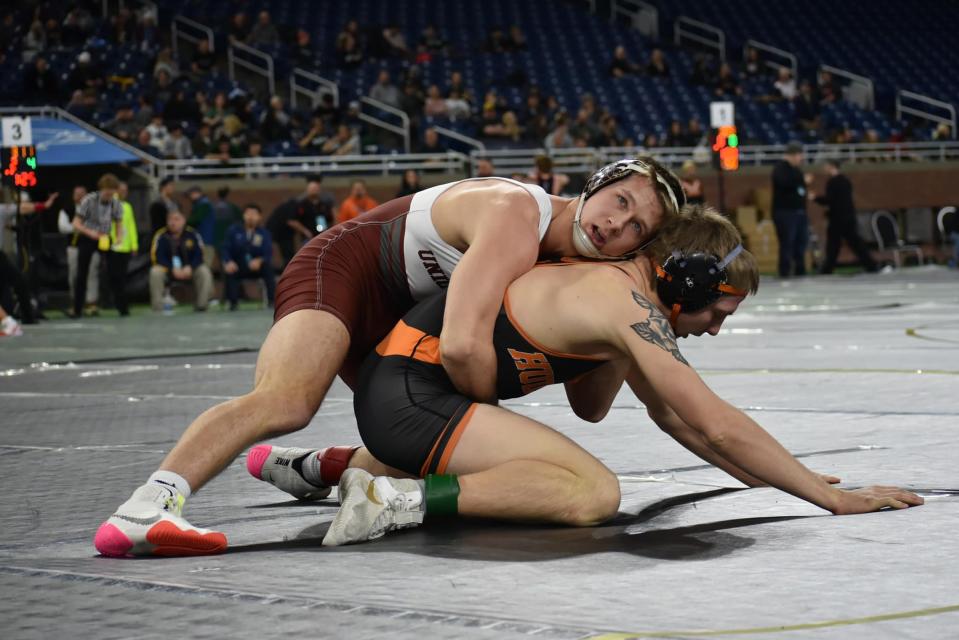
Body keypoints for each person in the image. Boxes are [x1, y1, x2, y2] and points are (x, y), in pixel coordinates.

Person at [92, 158, 686, 557]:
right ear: (595, 184)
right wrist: (474, 428)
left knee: (429, 428)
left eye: (637, 227)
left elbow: (590, 406)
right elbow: (461, 346)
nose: (617, 224)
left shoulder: (580, 270)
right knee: (288, 398)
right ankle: (147, 507)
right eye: (619, 201)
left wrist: (638, 327)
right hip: (345, 269)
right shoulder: (516, 212)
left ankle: (318, 467)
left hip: (403, 314)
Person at [248, 206, 922, 545]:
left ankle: (321, 468)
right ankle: (391, 504)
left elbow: (666, 414)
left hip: (410, 393)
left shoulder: (619, 305)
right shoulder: (618, 302)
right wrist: (827, 497)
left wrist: (757, 473)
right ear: (683, 278)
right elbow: (711, 419)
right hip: (413, 393)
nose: (713, 329)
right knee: (589, 492)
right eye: (715, 311)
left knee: (500, 451)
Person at [71, 174, 125, 319]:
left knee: (115, 271)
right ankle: (77, 309)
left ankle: (122, 308)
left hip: (105, 238)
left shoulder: (116, 203)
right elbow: (76, 223)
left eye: (112, 193)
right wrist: (90, 233)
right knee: (82, 273)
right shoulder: (88, 200)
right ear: (101, 189)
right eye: (107, 192)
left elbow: (119, 223)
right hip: (88, 237)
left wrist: (119, 238)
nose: (109, 196)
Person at [812, 160, 878, 274]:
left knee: (835, 245)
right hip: (848, 217)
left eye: (826, 166)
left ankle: (827, 269)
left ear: (832, 167)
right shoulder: (845, 180)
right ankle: (871, 265)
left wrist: (815, 198)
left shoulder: (833, 182)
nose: (824, 169)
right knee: (851, 243)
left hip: (838, 219)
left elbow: (830, 200)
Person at [148, 209, 213, 312]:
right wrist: (171, 269)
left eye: (176, 219)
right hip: (169, 270)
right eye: (170, 219)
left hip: (190, 269)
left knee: (204, 271)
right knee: (155, 272)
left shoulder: (192, 234)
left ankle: (202, 305)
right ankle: (158, 307)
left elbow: (200, 254)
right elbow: (156, 257)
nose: (172, 223)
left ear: (183, 220)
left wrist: (190, 267)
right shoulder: (161, 235)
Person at [266, 176, 335, 267]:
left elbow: (330, 219)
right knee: (309, 259)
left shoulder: (324, 205)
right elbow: (292, 221)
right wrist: (305, 231)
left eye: (316, 188)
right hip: (308, 238)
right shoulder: (301, 204)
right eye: (311, 188)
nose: (314, 190)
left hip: (322, 236)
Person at [222, 203, 275, 310]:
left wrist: (260, 260)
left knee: (268, 268)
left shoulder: (264, 233)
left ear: (260, 217)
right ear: (243, 216)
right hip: (238, 265)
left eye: (254, 214)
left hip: (257, 267)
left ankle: (271, 301)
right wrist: (228, 261)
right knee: (230, 270)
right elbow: (225, 249)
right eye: (248, 214)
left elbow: (268, 253)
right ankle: (233, 303)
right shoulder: (233, 231)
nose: (250, 217)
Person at [771, 142, 812, 277]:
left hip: (799, 212)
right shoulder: (780, 168)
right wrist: (802, 180)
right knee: (787, 242)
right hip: (785, 212)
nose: (801, 159)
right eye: (800, 155)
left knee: (801, 242)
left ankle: (800, 270)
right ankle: (785, 271)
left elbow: (800, 189)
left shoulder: (797, 170)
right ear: (793, 155)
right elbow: (784, 183)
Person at [106, 182, 138, 316]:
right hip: (113, 247)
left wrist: (134, 245)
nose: (124, 192)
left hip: (124, 248)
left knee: (121, 278)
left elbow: (131, 226)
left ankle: (123, 306)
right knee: (114, 277)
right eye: (121, 190)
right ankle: (118, 304)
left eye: (126, 190)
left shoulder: (128, 206)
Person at [185, 186, 215, 267]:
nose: (189, 198)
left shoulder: (204, 204)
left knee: (205, 268)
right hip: (201, 240)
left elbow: (194, 220)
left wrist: (182, 222)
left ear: (197, 193)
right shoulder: (199, 204)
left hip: (205, 241)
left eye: (190, 195)